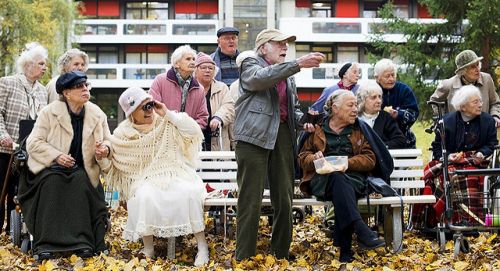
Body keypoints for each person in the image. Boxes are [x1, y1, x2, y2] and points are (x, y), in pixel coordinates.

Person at [233, 28, 324, 260]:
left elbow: (290, 108)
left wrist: (304, 121)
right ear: (264, 48)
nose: (285, 47)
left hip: (283, 135)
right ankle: (245, 257)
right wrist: (298, 63)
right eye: (279, 43)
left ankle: (280, 255)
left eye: (287, 44)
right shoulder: (251, 64)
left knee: (285, 199)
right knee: (249, 200)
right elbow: (259, 80)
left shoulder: (288, 74)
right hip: (252, 136)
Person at [102, 87, 209, 265]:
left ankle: (202, 247)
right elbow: (111, 168)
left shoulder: (166, 121)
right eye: (143, 107)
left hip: (176, 171)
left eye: (149, 104)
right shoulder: (122, 134)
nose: (149, 110)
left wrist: (168, 113)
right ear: (131, 113)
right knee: (144, 195)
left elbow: (193, 131)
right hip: (145, 179)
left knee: (188, 193)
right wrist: (101, 159)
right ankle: (148, 249)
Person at [18, 70, 110, 260]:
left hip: (82, 169)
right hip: (47, 169)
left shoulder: (96, 114)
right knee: (53, 182)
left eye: (86, 85)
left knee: (80, 180)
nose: (85, 89)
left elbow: (109, 141)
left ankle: (83, 242)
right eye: (79, 86)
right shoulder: (49, 112)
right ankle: (46, 243)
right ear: (66, 93)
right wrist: (56, 156)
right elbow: (33, 143)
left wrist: (104, 150)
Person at [298, 90, 392, 263]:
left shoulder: (359, 128)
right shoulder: (317, 128)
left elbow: (370, 159)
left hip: (352, 178)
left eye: (356, 105)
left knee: (342, 183)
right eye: (350, 105)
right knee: (337, 180)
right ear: (335, 108)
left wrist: (347, 163)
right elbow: (302, 158)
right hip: (320, 179)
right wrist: (314, 159)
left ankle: (346, 252)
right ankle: (359, 231)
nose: (355, 109)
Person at [412, 85, 498, 228]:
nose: (480, 105)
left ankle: (472, 222)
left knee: (470, 177)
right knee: (445, 176)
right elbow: (437, 148)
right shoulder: (447, 121)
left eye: (480, 101)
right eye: (475, 102)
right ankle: (445, 221)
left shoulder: (488, 121)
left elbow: (492, 144)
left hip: (476, 163)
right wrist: (449, 157)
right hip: (451, 163)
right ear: (463, 107)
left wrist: (482, 153)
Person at [0, 42, 49, 235]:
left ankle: (14, 230)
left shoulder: (43, 91)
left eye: (45, 65)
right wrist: (3, 136)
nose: (45, 68)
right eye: (41, 64)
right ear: (28, 65)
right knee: (2, 189)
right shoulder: (7, 83)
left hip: (30, 152)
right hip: (5, 149)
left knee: (20, 191)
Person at [430, 49, 500, 126]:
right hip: (458, 132)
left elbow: (494, 102)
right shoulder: (448, 85)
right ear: (463, 71)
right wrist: (444, 120)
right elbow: (435, 101)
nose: (478, 69)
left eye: (477, 65)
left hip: (483, 129)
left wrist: (495, 115)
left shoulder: (487, 79)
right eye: (473, 67)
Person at [149, 45, 209, 130]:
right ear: (176, 63)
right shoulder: (160, 80)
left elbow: (202, 118)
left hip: (187, 140)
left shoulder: (199, 89)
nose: (192, 62)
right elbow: (153, 110)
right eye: (188, 59)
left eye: (193, 59)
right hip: (163, 136)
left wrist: (190, 132)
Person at [374, 58, 419, 149]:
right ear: (377, 78)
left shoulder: (404, 90)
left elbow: (414, 113)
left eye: (393, 75)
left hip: (403, 139)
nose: (391, 79)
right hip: (377, 139)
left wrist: (399, 115)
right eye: (387, 76)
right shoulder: (371, 91)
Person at [194, 52, 235, 151]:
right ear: (195, 71)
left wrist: (218, 118)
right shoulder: (190, 88)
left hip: (218, 139)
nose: (207, 71)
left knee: (217, 165)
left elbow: (229, 106)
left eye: (210, 68)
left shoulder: (222, 87)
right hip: (195, 139)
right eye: (203, 68)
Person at [356, 81, 406, 149]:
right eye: (373, 97)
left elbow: (400, 141)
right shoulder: (355, 118)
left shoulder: (386, 118)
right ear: (362, 100)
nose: (379, 101)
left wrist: (379, 147)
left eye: (379, 97)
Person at [228, 50, 255, 150]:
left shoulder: (267, 83)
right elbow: (232, 117)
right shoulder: (234, 86)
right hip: (242, 138)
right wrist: (234, 141)